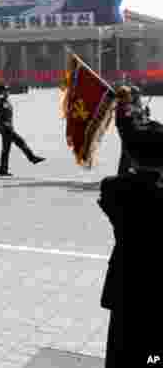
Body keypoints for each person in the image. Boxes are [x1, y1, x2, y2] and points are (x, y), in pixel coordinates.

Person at [99, 137, 163, 365]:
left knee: (120, 352)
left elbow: (115, 182)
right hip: (157, 293)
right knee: (154, 356)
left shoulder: (115, 190)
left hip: (125, 287)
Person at [0, 85, 45, 176]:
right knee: (20, 141)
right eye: (5, 91)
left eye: (7, 91)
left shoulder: (8, 101)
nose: (7, 92)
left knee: (6, 149)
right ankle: (32, 158)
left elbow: (8, 115)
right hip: (4, 127)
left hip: (9, 127)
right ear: (1, 92)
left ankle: (3, 170)